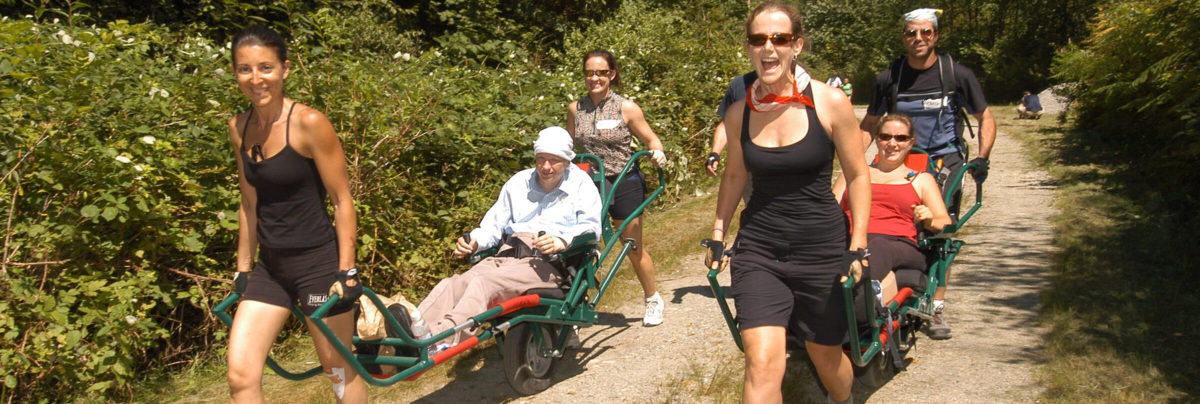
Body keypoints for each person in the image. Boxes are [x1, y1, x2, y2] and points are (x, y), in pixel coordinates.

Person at [707, 3, 871, 403]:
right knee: (762, 362)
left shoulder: (830, 102)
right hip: (760, 250)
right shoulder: (738, 112)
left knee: (825, 357)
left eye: (779, 39)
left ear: (796, 45)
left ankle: (844, 398)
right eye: (758, 39)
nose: (768, 48)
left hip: (821, 249)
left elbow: (858, 174)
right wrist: (717, 233)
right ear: (748, 47)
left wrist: (859, 243)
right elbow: (734, 176)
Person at [224, 26, 366, 403]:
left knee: (337, 369)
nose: (256, 79)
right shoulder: (238, 127)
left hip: (318, 264)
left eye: (265, 67)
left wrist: (347, 270)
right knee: (241, 374)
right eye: (244, 69)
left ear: (285, 69)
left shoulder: (309, 123)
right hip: (271, 268)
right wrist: (243, 268)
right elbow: (248, 203)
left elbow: (342, 200)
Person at [858, 8, 996, 340]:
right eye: (911, 33)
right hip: (896, 158)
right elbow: (870, 124)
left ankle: (934, 309)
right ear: (903, 37)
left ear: (935, 35)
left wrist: (981, 158)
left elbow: (986, 117)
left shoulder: (956, 75)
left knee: (937, 232)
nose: (918, 39)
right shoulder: (889, 77)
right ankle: (888, 285)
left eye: (925, 33)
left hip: (943, 161)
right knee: (879, 221)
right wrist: (853, 160)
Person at [417, 127, 602, 346]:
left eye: (554, 160)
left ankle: (442, 339)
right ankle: (413, 333)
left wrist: (562, 241)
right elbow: (492, 226)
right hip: (507, 255)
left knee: (483, 283)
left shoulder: (581, 184)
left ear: (567, 161)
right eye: (541, 159)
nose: (545, 167)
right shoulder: (518, 183)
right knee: (454, 283)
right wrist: (474, 242)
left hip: (546, 262)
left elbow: (591, 229)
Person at [566, 49, 669, 326]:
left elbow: (651, 139)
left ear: (611, 74)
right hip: (590, 182)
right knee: (581, 247)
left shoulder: (626, 107)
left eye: (601, 72)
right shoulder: (576, 109)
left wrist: (656, 152)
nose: (594, 78)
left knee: (632, 245)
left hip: (624, 179)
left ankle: (652, 298)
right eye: (589, 72)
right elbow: (568, 146)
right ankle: (576, 309)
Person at [832, 115, 951, 304]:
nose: (892, 143)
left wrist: (929, 220)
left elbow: (945, 222)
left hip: (898, 244)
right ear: (877, 140)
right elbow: (831, 210)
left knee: (878, 246)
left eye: (900, 138)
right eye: (885, 137)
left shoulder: (921, 180)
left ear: (911, 142)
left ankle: (848, 290)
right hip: (853, 238)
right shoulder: (853, 174)